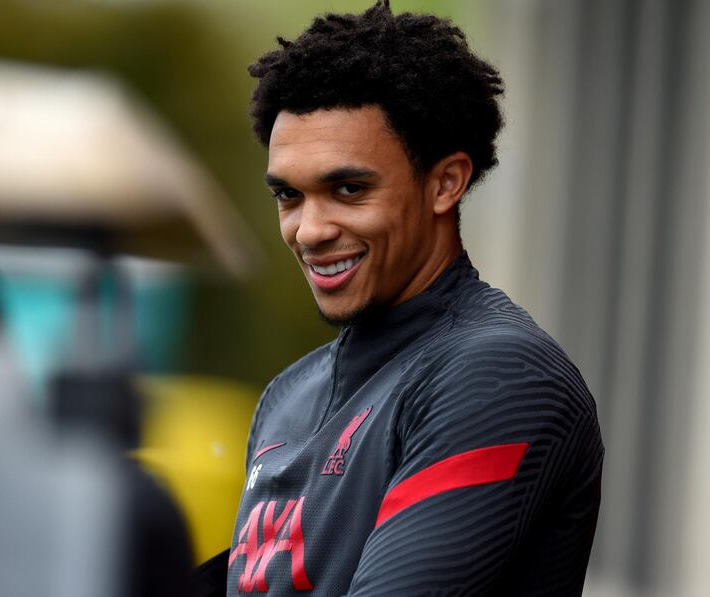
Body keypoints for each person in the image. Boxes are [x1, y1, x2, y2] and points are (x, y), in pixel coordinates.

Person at [226, 2, 603, 595]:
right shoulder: (288, 395)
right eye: (289, 196)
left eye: (348, 189)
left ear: (445, 182)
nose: (309, 230)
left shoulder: (500, 376)